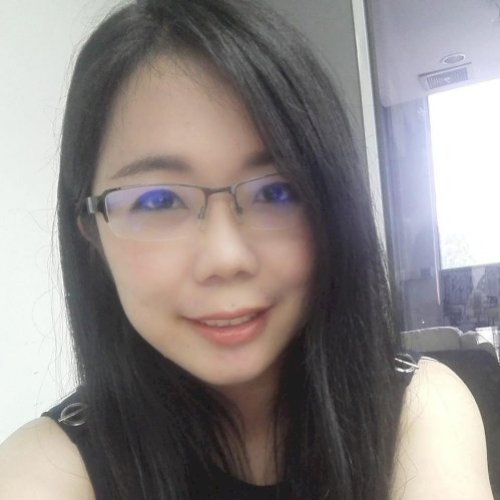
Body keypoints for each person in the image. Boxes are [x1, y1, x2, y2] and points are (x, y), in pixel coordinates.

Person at [0, 0, 493, 498]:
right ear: (92, 233)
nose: (226, 258)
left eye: (277, 192)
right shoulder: (47, 468)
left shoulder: (418, 409)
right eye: (157, 200)